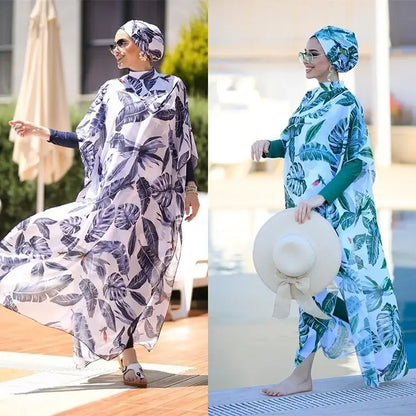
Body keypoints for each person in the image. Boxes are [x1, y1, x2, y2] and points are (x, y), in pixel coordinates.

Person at [1, 20, 199, 388]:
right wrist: (44, 133)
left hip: (155, 205)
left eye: (122, 43)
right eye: (113, 44)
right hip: (112, 201)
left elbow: (182, 142)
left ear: (144, 46)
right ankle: (129, 357)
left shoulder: (173, 88)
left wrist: (189, 186)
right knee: (109, 272)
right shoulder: (111, 91)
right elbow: (87, 137)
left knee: (142, 277)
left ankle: (127, 353)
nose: (115, 50)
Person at [251, 26, 408, 396]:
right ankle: (304, 372)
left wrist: (324, 197)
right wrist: (268, 145)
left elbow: (358, 161)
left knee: (360, 289)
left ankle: (350, 346)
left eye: (313, 54)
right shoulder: (308, 101)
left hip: (341, 214)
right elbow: (292, 145)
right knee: (306, 286)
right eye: (303, 53)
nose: (306, 60)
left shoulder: (346, 103)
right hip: (305, 213)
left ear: (334, 59)